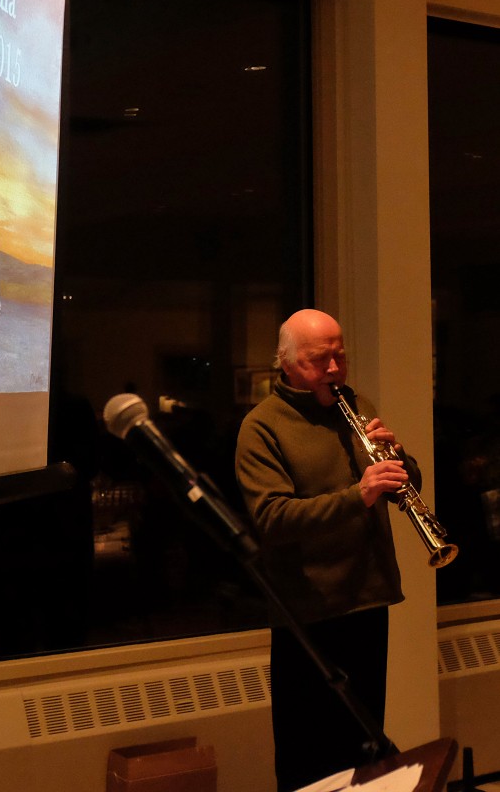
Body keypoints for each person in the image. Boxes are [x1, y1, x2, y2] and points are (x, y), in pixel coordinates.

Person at [235, 309, 422, 792]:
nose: (335, 369)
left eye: (340, 356)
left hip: (368, 598)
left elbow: (399, 486)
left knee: (364, 750)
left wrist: (398, 460)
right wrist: (359, 494)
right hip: (308, 613)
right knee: (310, 757)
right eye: (320, 360)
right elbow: (272, 519)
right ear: (286, 361)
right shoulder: (262, 426)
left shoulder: (355, 404)